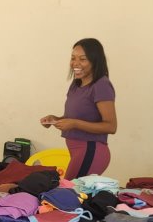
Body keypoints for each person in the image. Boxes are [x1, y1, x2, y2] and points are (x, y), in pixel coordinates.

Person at [40, 38, 117, 180]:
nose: (75, 63)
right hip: (79, 152)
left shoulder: (101, 85)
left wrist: (75, 124)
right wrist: (56, 119)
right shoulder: (76, 84)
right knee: (70, 190)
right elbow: (75, 117)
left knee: (67, 190)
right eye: (73, 58)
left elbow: (111, 126)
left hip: (91, 150)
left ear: (95, 61)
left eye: (82, 59)